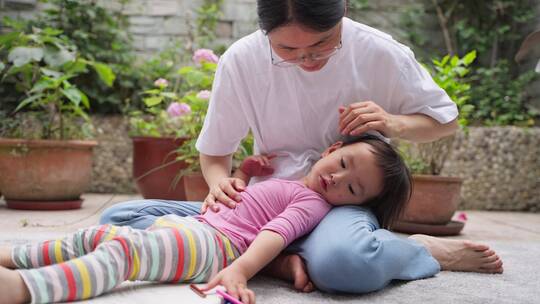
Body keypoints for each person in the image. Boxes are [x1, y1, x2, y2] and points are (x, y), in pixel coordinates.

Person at [100, 0, 503, 294]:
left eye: (323, 44)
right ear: (265, 31)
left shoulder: (379, 52)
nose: (307, 59)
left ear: (343, 10)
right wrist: (220, 182)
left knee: (344, 265)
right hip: (265, 202)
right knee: (120, 218)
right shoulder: (241, 60)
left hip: (337, 206)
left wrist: (392, 122)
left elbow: (444, 120)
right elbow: (215, 152)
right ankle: (276, 259)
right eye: (287, 51)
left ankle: (414, 250)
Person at [0, 136, 411, 304]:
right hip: (198, 227)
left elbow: (271, 233)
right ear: (334, 147)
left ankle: (26, 288)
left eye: (352, 189)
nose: (337, 178)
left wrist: (239, 271)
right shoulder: (291, 182)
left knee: (124, 252)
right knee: (103, 230)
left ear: (352, 206)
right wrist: (245, 172)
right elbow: (247, 201)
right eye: (342, 163)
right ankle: (17, 257)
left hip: (214, 246)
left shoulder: (314, 206)